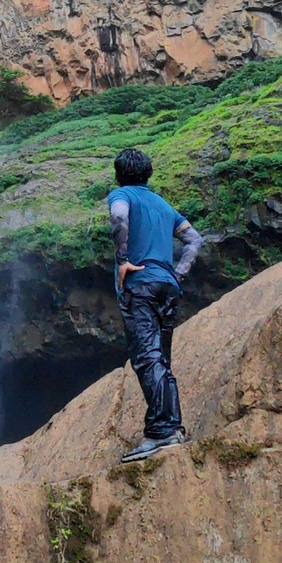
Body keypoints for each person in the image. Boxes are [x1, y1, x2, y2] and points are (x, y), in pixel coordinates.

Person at [108, 147, 203, 463]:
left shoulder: (122, 195)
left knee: (148, 358)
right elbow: (194, 240)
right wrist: (177, 274)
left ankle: (163, 431)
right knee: (160, 358)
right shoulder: (164, 205)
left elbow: (119, 216)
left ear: (120, 174)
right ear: (148, 174)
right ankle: (169, 429)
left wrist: (123, 260)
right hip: (167, 286)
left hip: (141, 286)